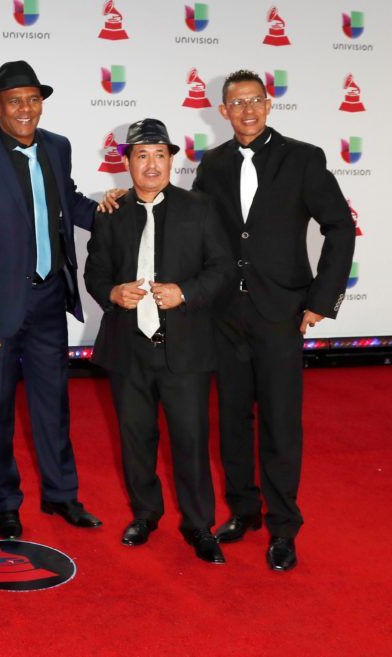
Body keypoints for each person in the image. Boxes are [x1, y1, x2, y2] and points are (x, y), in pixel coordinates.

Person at [192, 70, 356, 571]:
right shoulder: (212, 164)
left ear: (268, 105)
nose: (246, 110)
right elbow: (197, 230)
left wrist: (320, 299)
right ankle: (244, 511)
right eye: (236, 103)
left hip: (282, 312)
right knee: (234, 420)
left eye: (255, 100)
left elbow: (340, 227)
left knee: (281, 423)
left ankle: (284, 527)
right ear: (222, 112)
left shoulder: (303, 158)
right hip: (226, 315)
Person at [0, 60, 103, 540]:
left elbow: (68, 203)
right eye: (15, 100)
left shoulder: (57, 147)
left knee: (53, 404)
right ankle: (5, 501)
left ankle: (61, 495)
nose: (25, 108)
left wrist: (117, 212)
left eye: (33, 99)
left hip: (49, 299)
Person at [85, 119, 235, 564]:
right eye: (141, 155)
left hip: (186, 348)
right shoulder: (110, 211)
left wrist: (185, 292)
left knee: (190, 441)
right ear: (127, 162)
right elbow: (95, 273)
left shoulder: (201, 208)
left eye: (159, 154)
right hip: (128, 348)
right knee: (136, 440)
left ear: (172, 159)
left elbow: (224, 268)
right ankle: (145, 514)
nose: (151, 163)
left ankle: (199, 525)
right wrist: (112, 293)